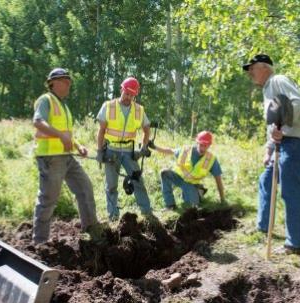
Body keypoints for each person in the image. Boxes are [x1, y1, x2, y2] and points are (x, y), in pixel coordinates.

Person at [242, 54, 300, 255]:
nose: (250, 72)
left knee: (289, 188)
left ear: (265, 67)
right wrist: (268, 149)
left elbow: (298, 101)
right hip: (282, 142)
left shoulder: (278, 80)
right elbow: (274, 124)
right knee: (266, 179)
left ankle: (294, 244)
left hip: (296, 140)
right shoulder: (267, 90)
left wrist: (283, 131)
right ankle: (263, 227)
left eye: (253, 68)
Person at [32, 68, 98, 244]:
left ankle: (92, 231)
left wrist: (78, 145)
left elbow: (66, 133)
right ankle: (39, 244)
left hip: (66, 157)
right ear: (53, 83)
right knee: (48, 199)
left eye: (69, 82)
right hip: (51, 157)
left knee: (85, 188)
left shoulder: (63, 105)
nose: (69, 85)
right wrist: (61, 137)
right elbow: (38, 122)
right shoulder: (46, 100)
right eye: (65, 81)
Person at [96, 77, 152, 221]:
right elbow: (101, 131)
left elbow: (147, 130)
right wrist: (99, 151)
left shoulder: (139, 110)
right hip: (111, 151)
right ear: (122, 90)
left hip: (129, 152)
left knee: (138, 181)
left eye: (132, 95)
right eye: (127, 93)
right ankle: (113, 216)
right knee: (111, 185)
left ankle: (147, 213)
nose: (128, 97)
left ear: (135, 95)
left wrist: (143, 148)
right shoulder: (108, 106)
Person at [149, 131, 225, 209]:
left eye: (205, 146)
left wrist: (222, 200)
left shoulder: (211, 159)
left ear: (209, 145)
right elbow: (170, 151)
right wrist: (154, 147)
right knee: (164, 173)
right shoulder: (186, 150)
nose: (202, 148)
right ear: (197, 142)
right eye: (201, 145)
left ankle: (198, 192)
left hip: (191, 184)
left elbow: (218, 180)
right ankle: (170, 205)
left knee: (192, 207)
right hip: (178, 178)